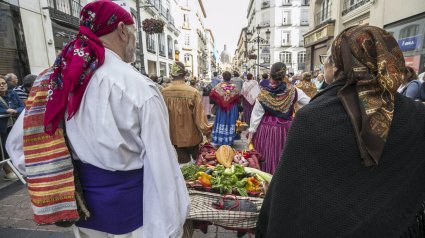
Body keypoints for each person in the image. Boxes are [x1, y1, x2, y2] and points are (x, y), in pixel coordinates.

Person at [6, 1, 190, 237]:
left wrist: (62, 177)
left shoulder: (54, 80)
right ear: (122, 31)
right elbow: (161, 165)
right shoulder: (138, 87)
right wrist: (172, 223)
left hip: (81, 208)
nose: (134, 41)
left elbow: (17, 146)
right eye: (134, 34)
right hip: (133, 214)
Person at [256, 25, 425, 237]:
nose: (324, 63)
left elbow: (289, 194)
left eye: (326, 58)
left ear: (337, 66)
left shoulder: (311, 119)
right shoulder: (418, 115)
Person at [246, 63, 310, 175]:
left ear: (270, 75)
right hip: (287, 129)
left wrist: (251, 134)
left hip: (266, 131)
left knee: (267, 156)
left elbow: (256, 116)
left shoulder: (264, 93)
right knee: (284, 158)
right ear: (284, 75)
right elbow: (310, 104)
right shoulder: (293, 90)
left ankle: (267, 184)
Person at [162, 62, 213, 165]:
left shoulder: (164, 93)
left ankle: (185, 181)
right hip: (192, 137)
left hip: (175, 137)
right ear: (185, 74)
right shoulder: (193, 92)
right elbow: (200, 119)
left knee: (184, 164)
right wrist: (207, 133)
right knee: (200, 163)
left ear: (171, 75)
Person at [0, 76, 24, 180]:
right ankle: (8, 171)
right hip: (2, 127)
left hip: (13, 125)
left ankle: (16, 168)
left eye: (3, 83)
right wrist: (6, 111)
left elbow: (22, 106)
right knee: (3, 150)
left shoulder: (12, 93)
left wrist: (15, 110)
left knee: (15, 146)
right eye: (0, 84)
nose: (2, 86)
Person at [210, 71, 241, 145]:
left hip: (222, 109)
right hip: (232, 108)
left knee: (222, 122)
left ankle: (220, 139)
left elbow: (212, 96)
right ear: (231, 77)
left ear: (223, 77)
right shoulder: (234, 86)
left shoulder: (219, 86)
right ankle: (229, 140)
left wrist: (219, 101)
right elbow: (237, 99)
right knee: (230, 123)